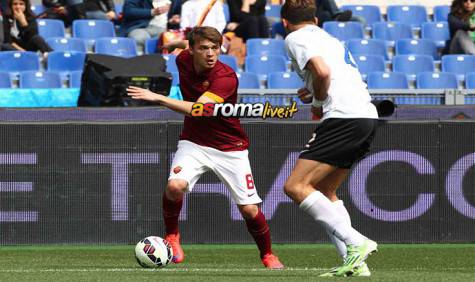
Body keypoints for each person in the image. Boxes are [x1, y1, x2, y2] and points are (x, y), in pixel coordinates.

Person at [126, 26, 284, 269]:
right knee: (174, 186)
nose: (211, 53)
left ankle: (268, 254)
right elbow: (181, 47)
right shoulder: (184, 59)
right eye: (204, 48)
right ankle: (172, 236)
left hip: (230, 147)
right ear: (192, 50)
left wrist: (157, 97)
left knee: (250, 210)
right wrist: (174, 43)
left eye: (215, 48)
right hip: (194, 142)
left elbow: (197, 110)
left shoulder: (226, 77)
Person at [280, 0, 378, 277]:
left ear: (284, 22)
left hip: (342, 117)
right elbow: (327, 75)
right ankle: (356, 265)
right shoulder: (329, 38)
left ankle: (356, 242)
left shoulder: (295, 37)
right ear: (316, 20)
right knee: (325, 191)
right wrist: (311, 90)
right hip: (365, 116)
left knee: (295, 186)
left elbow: (322, 72)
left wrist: (317, 102)